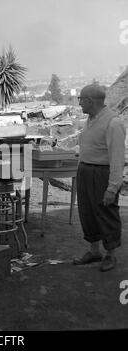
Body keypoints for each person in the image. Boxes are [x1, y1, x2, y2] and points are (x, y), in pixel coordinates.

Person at [73, 84, 126, 272]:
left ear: (90, 101)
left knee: (106, 213)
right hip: (85, 171)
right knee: (87, 212)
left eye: (81, 99)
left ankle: (110, 255)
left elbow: (118, 159)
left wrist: (112, 188)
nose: (79, 102)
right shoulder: (90, 120)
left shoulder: (113, 123)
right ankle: (94, 251)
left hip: (102, 174)